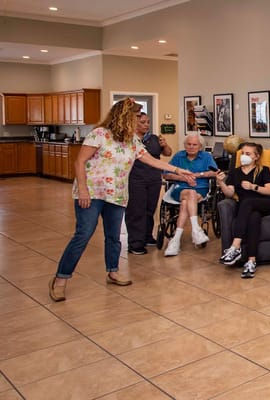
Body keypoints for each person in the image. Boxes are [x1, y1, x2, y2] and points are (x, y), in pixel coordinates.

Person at [49, 98, 194, 302]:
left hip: (116, 194)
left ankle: (113, 272)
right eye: (136, 117)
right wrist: (82, 189)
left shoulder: (131, 140)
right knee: (83, 234)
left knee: (113, 236)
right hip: (92, 193)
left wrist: (179, 170)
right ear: (123, 116)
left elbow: (151, 160)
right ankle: (60, 279)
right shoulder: (99, 134)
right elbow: (80, 161)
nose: (139, 121)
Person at [216, 142, 270, 278]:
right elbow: (230, 194)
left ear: (256, 156)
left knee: (247, 202)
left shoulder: (263, 170)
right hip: (248, 208)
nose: (244, 156)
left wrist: (252, 187)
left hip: (267, 203)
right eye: (243, 153)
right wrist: (221, 182)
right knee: (253, 218)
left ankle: (235, 247)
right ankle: (251, 262)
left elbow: (269, 191)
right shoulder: (235, 173)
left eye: (248, 154)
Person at [162, 134, 218, 256]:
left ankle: (175, 240)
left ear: (200, 146)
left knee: (186, 202)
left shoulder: (206, 157)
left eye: (194, 145)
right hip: (180, 188)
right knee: (190, 193)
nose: (191, 147)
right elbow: (166, 174)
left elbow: (215, 173)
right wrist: (183, 177)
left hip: (201, 189)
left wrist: (198, 175)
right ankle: (195, 229)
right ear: (185, 145)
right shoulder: (178, 156)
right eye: (189, 144)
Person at [125, 112, 173, 255]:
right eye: (143, 122)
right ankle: (135, 243)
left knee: (149, 209)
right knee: (136, 211)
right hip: (135, 179)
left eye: (148, 122)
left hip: (153, 179)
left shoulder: (154, 138)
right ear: (134, 123)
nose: (146, 125)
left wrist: (165, 145)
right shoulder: (128, 140)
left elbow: (168, 153)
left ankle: (147, 237)